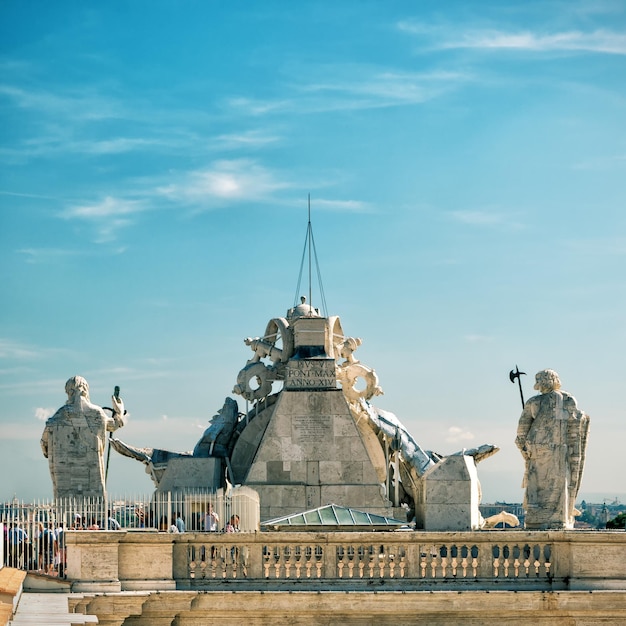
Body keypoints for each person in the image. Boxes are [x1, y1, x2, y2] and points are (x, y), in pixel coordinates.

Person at [515, 369, 590, 530]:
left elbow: (522, 430)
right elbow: (522, 428)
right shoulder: (562, 399)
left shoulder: (559, 399)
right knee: (543, 481)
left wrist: (523, 445)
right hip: (545, 448)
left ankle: (551, 513)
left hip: (549, 448)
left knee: (550, 481)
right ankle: (544, 514)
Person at [41, 376, 126, 499]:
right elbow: (114, 424)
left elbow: (44, 442)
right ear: (85, 390)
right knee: (94, 505)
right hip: (92, 474)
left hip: (65, 479)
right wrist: (119, 412)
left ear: (69, 392)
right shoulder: (97, 413)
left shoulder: (59, 416)